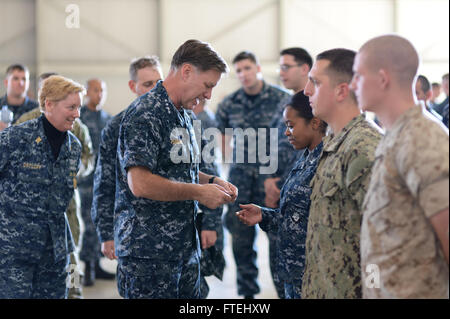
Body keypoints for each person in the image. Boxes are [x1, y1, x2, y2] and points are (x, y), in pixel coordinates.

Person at [115, 39, 237, 299]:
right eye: (207, 86)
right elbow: (140, 183)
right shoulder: (146, 113)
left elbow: (180, 168)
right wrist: (198, 193)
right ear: (187, 72)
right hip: (149, 257)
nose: (208, 96)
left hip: (183, 249)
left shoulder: (183, 114)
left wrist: (211, 181)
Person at [352, 34, 449, 299]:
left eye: (358, 75)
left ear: (383, 79)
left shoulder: (422, 138)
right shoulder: (394, 137)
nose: (352, 85)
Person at [301, 48, 383, 299]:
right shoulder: (334, 142)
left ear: (341, 90)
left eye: (315, 82)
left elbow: (380, 242)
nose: (306, 90)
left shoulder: (364, 148)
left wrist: (375, 293)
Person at [236, 91, 327, 299]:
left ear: (314, 123)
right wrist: (264, 215)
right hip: (294, 277)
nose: (286, 132)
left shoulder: (326, 162)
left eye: (291, 125)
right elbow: (298, 217)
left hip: (313, 278)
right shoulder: (306, 158)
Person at [0, 75, 84, 298]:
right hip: (14, 253)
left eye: (79, 107)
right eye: (71, 107)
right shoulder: (15, 139)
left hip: (54, 253)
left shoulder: (74, 147)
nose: (77, 114)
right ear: (49, 104)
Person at [216, 51, 290, 299]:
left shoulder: (282, 100)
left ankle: (284, 292)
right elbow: (224, 143)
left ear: (258, 68)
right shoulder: (229, 104)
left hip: (273, 180)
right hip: (240, 181)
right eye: (238, 70)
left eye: (247, 68)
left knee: (278, 242)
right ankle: (248, 295)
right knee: (240, 241)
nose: (243, 74)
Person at [92, 56, 163, 264]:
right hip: (135, 235)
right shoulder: (117, 126)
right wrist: (105, 233)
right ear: (133, 86)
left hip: (176, 235)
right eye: (147, 84)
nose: (154, 89)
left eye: (159, 83)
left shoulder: (177, 118)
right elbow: (104, 182)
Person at [262, 48, 313, 298]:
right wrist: (271, 180)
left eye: (286, 67)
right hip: (281, 194)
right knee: (280, 267)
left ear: (304, 68)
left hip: (302, 197)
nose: (281, 72)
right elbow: (270, 143)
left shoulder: (317, 108)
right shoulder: (282, 105)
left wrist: (283, 184)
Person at [78, 78, 113, 286]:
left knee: (101, 223)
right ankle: (87, 267)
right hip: (85, 183)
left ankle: (97, 265)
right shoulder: (78, 116)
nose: (100, 94)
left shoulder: (108, 118)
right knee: (86, 226)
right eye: (96, 90)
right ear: (87, 92)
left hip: (104, 183)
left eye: (103, 90)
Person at [0, 64, 39, 131]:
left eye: (24, 79)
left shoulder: (37, 109)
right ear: (6, 82)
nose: (21, 83)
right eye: (16, 78)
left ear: (28, 84)